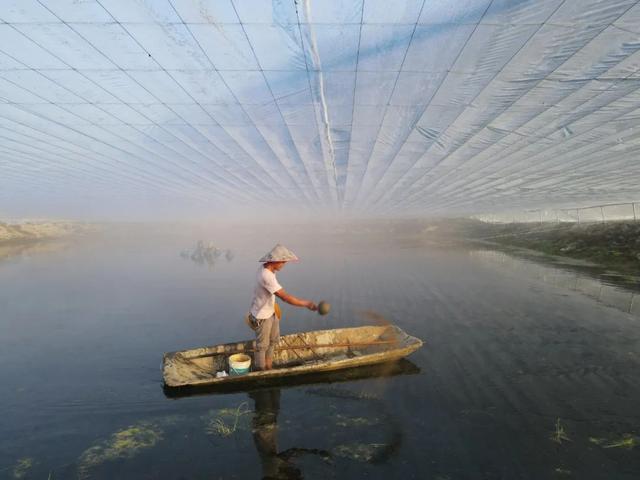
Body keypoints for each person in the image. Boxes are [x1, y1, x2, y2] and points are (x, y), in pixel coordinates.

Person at [248, 244, 317, 371]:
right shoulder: (266, 276)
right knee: (262, 346)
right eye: (283, 263)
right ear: (275, 261)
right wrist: (306, 304)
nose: (283, 265)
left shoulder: (269, 270)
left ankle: (269, 367)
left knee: (273, 341)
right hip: (262, 316)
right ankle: (261, 371)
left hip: (271, 312)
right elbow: (285, 297)